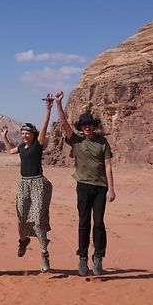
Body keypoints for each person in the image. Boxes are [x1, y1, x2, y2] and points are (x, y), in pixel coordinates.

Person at [55, 91, 116, 276]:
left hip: (100, 187)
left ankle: (98, 257)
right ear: (81, 127)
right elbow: (64, 123)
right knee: (84, 222)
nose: (87, 127)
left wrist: (111, 188)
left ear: (94, 126)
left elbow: (108, 166)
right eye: (84, 125)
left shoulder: (102, 142)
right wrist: (58, 104)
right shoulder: (76, 140)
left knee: (98, 223)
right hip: (83, 185)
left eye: (90, 124)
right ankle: (82, 258)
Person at [1, 95, 54, 272]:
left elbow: (45, 126)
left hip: (38, 183)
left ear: (33, 135)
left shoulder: (37, 145)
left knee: (38, 218)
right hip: (23, 184)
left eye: (27, 133)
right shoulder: (22, 148)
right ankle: (23, 240)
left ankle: (44, 253)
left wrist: (48, 109)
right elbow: (9, 151)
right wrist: (4, 137)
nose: (24, 135)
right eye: (23, 133)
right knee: (21, 218)